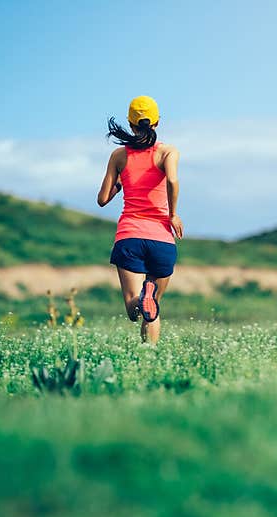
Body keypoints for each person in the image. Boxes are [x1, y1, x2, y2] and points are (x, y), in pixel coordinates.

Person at [97, 95, 183, 344]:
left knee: (134, 308)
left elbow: (102, 199)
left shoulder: (119, 156)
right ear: (157, 121)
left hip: (130, 237)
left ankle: (141, 298)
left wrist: (121, 184)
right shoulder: (168, 152)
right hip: (162, 239)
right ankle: (149, 358)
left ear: (130, 123)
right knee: (152, 307)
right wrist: (173, 214)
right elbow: (173, 180)